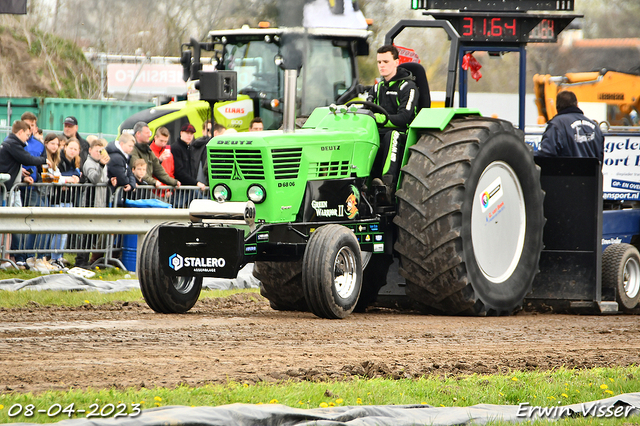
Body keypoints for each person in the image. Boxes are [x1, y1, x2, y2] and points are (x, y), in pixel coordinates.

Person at [367, 44, 419, 202]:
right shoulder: (376, 89)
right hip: (378, 132)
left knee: (392, 135)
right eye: (379, 62)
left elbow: (404, 118)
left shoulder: (408, 87)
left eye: (386, 61)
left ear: (396, 62)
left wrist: (379, 119)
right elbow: (366, 111)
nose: (382, 65)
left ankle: (387, 186)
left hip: (403, 134)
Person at [0, 120, 49, 267]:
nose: (28, 138)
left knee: (13, 223)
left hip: (10, 190)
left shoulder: (10, 144)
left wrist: (22, 176)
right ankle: (6, 257)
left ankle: (9, 256)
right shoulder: (12, 144)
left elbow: (13, 164)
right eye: (27, 135)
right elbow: (26, 158)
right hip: (6, 191)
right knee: (7, 224)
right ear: (20, 132)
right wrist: (44, 160)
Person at [538, 91, 605, 162]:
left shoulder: (557, 125)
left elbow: (547, 154)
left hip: (566, 172)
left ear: (557, 107)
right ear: (576, 104)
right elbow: (599, 158)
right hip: (592, 172)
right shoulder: (595, 127)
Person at [75, 138, 110, 268]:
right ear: (90, 151)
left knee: (93, 235)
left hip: (99, 202)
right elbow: (95, 179)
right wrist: (101, 165)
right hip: (89, 202)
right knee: (86, 234)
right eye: (97, 151)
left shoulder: (102, 164)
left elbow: (104, 179)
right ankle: (80, 261)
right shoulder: (89, 163)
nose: (99, 153)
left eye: (102, 151)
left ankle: (86, 260)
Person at [48, 138, 83, 266]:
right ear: (65, 147)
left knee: (64, 231)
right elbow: (60, 176)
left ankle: (59, 256)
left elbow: (78, 175)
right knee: (58, 230)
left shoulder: (74, 162)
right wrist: (70, 178)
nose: (73, 151)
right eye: (71, 148)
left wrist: (74, 177)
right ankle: (54, 257)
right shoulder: (60, 159)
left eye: (76, 149)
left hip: (69, 198)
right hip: (58, 198)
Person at [129, 121, 180, 189]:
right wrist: (154, 182)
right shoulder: (132, 149)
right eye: (147, 133)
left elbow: (158, 170)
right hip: (136, 189)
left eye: (149, 133)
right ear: (138, 134)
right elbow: (139, 171)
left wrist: (174, 182)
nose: (149, 135)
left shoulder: (148, 150)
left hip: (146, 188)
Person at [172, 123, 207, 191]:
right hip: (179, 188)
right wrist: (196, 183)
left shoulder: (190, 148)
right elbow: (179, 171)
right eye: (187, 133)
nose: (189, 135)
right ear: (181, 133)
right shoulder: (176, 148)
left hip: (188, 188)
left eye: (191, 133)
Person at [107, 133, 137, 207]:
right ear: (122, 144)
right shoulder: (117, 158)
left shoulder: (123, 156)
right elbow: (122, 178)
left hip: (118, 196)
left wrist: (131, 184)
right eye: (130, 146)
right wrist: (130, 183)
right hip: (112, 195)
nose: (131, 148)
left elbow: (130, 173)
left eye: (132, 146)